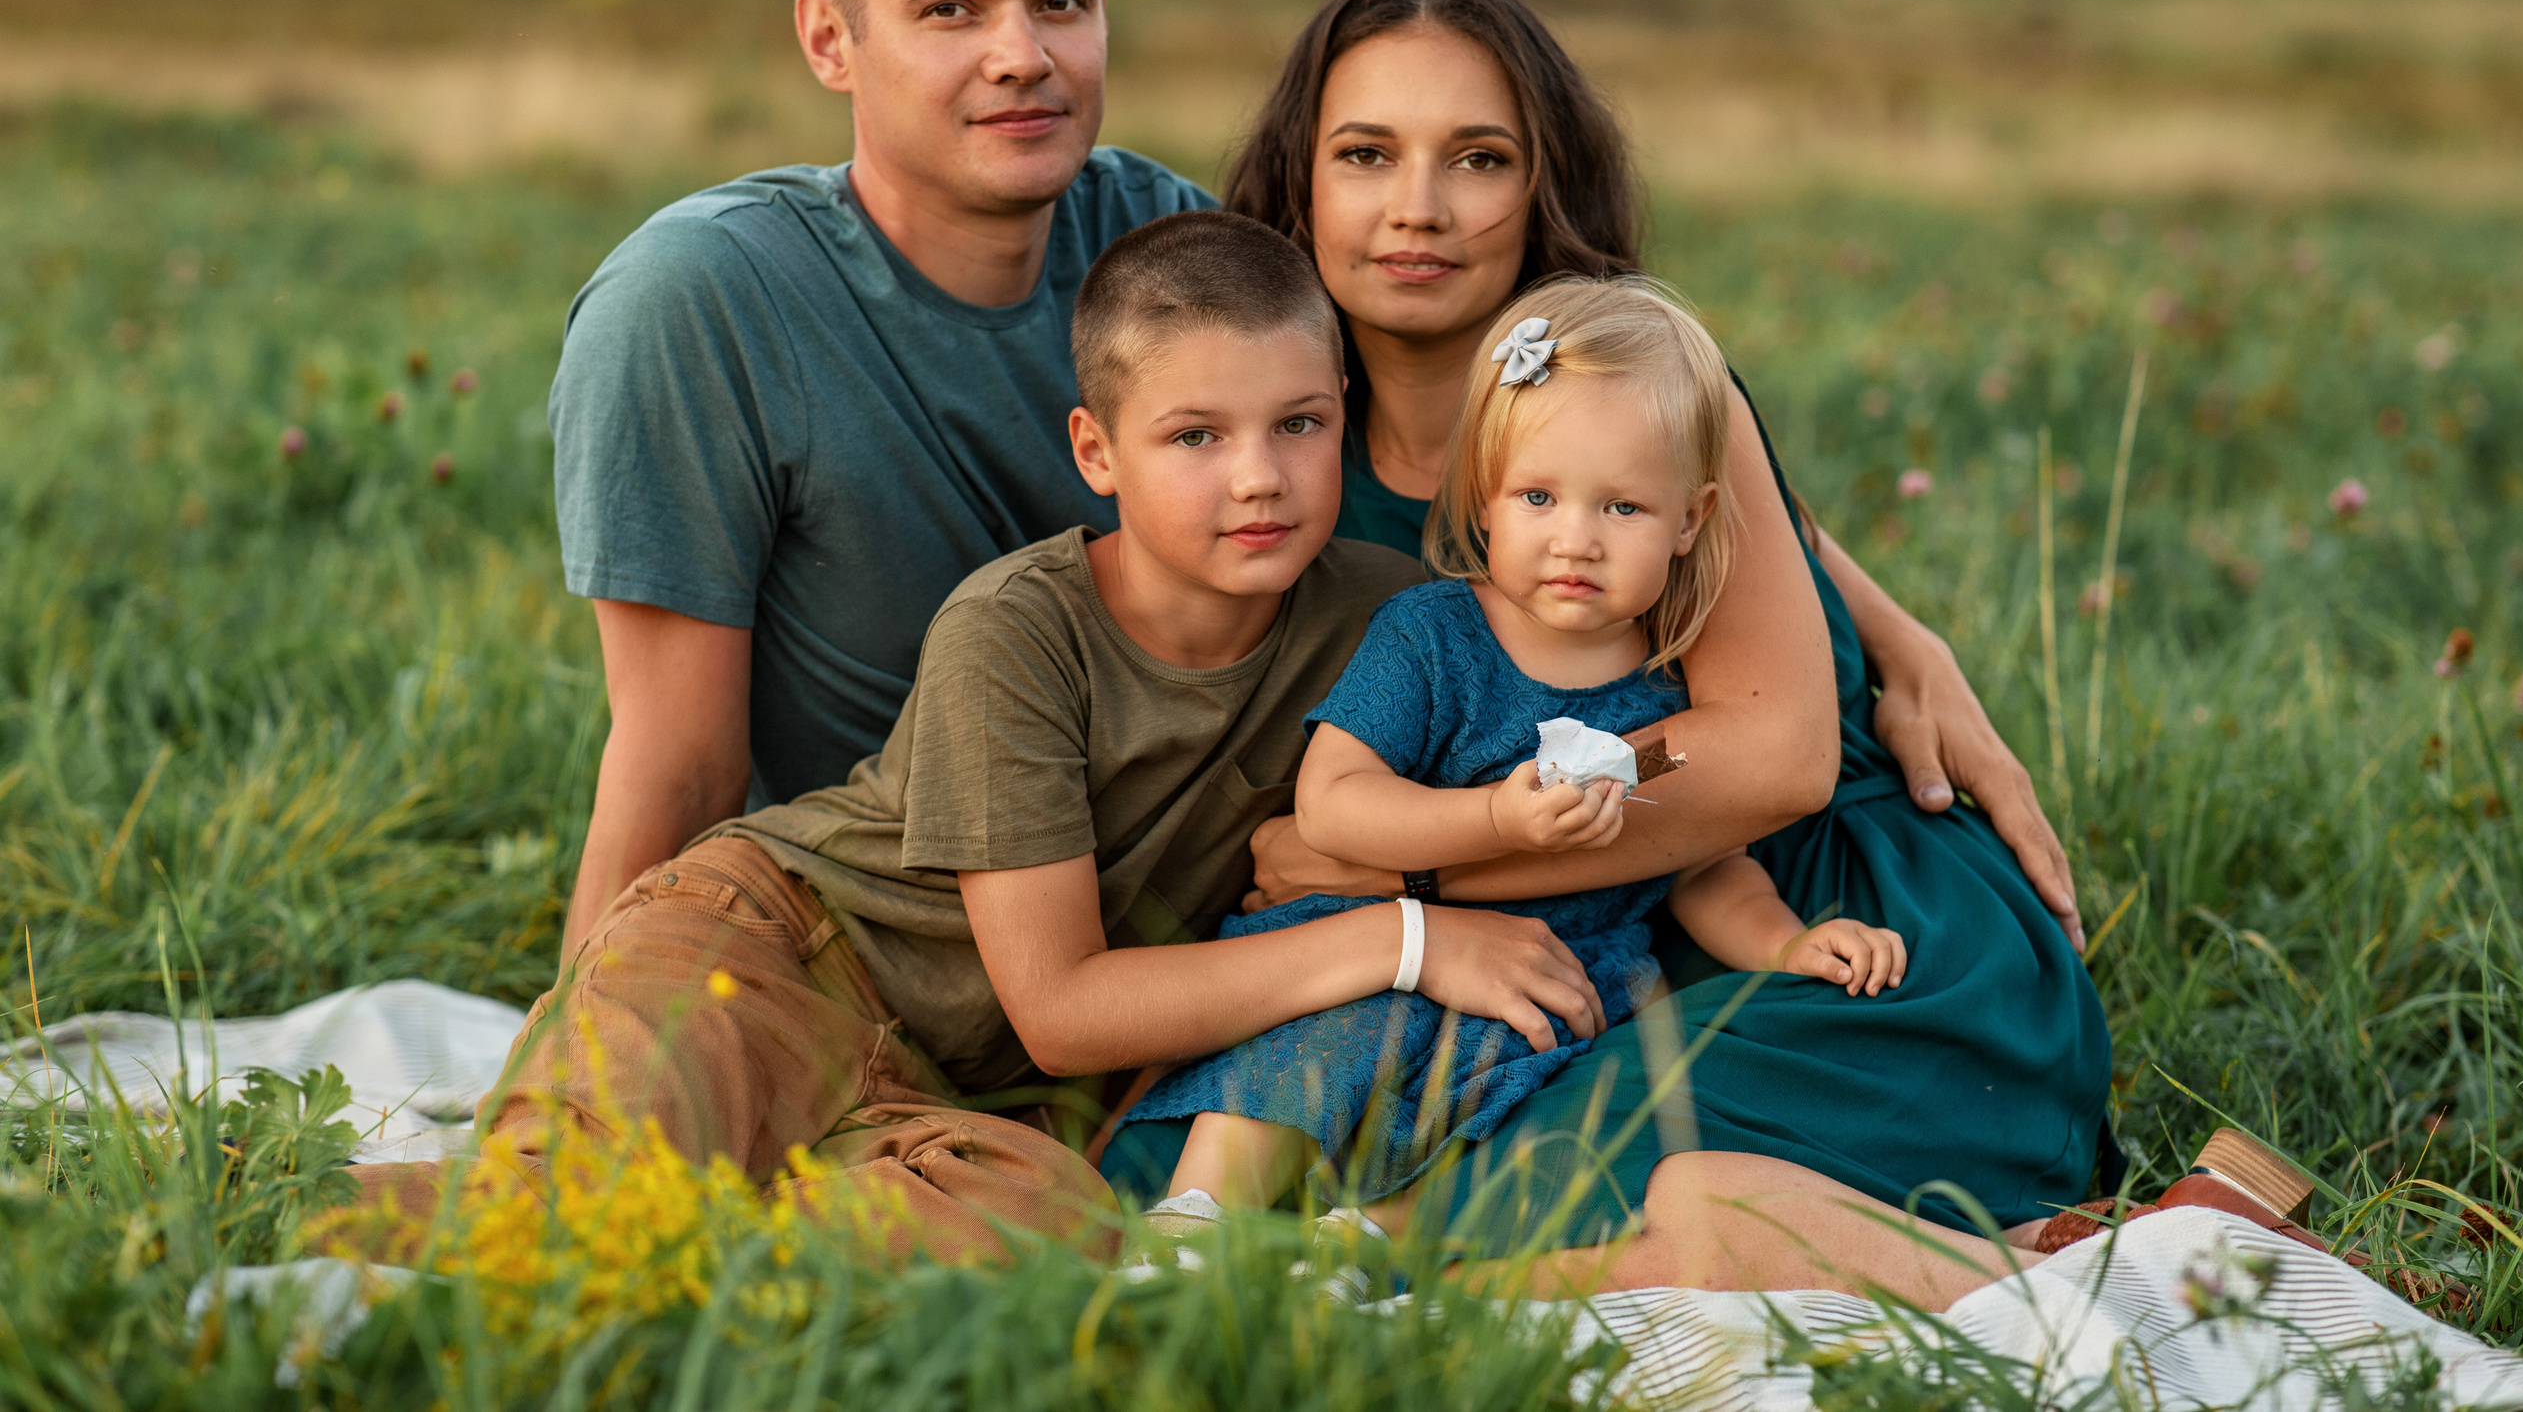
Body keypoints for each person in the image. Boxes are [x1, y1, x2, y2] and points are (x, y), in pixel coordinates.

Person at [330, 210, 1629, 1266]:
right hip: (776, 953)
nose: (1259, 476)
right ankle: (275, 1188)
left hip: (961, 1098)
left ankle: (714, 1224)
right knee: (551, 1214)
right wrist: (1406, 939)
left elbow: (1562, 729)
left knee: (1057, 1236)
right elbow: (1061, 1006)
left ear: (1343, 411)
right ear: (1096, 450)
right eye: (1195, 435)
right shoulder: (1015, 628)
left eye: (1299, 423)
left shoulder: (1394, 618)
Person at [1208, 0, 2112, 1274]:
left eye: (1479, 158)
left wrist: (1398, 870)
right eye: (1364, 154)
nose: (1418, 208)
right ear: (1298, 182)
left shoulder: (1647, 377)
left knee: (1517, 1184)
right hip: (1573, 953)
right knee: (1219, 1156)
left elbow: (1769, 760)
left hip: (1830, 917)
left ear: (1544, 188)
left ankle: (2037, 1265)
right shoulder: (1282, 449)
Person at [546, 0, 1217, 964]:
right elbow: (678, 768)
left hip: (1176, 929)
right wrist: (585, 1055)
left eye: (1062, 1)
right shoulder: (705, 301)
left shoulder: (1168, 247)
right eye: (950, 9)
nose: (1023, 56)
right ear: (829, 40)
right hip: (863, 941)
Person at [1127, 279, 1906, 1227]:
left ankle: (1372, 1248)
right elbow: (1332, 801)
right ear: (1485, 500)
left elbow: (1707, 866)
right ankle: (1195, 1216)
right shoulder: (1431, 636)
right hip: (1388, 946)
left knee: (1545, 1107)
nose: (1576, 540)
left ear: (1690, 519)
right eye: (1538, 496)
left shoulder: (1670, 697)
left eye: (1622, 507)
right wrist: (1496, 817)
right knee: (1315, 1047)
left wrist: (1785, 942)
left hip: (1555, 988)